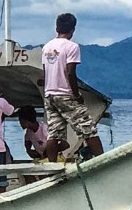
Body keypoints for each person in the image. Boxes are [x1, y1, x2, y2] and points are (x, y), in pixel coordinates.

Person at [41, 13, 102, 162]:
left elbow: (45, 71)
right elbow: (70, 72)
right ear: (73, 30)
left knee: (54, 132)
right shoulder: (72, 47)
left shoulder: (47, 47)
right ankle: (103, 160)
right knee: (88, 129)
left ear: (57, 28)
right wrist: (76, 94)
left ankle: (52, 166)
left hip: (50, 94)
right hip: (65, 94)